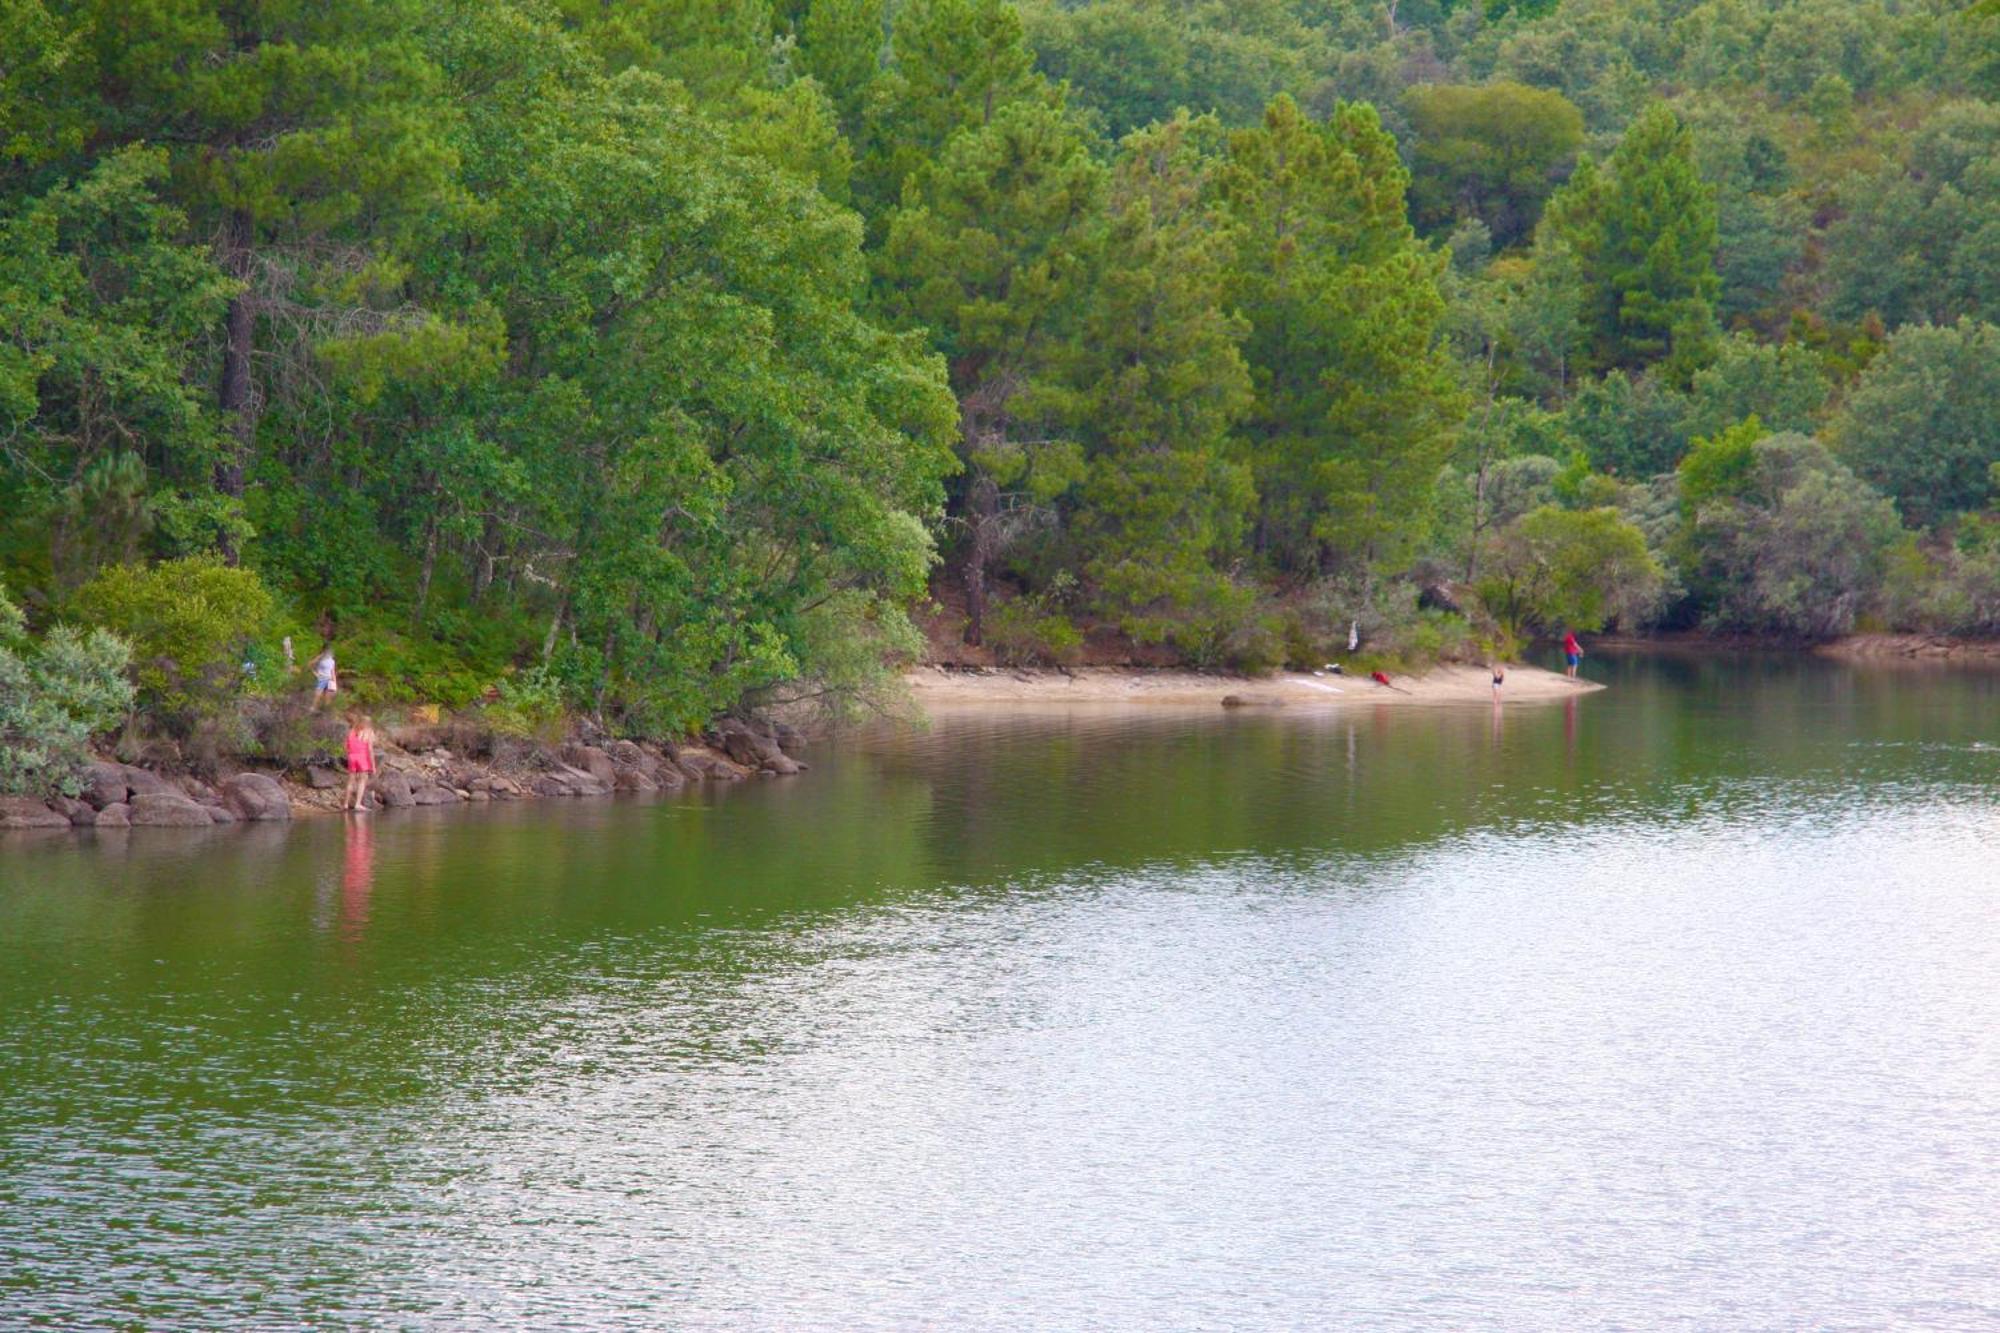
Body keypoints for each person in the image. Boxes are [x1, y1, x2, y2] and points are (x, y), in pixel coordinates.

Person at [342, 712, 376, 812]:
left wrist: (350, 754)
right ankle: (358, 804)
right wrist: (373, 766)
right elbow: (370, 750)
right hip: (362, 757)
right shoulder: (368, 732)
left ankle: (345, 804)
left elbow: (345, 746)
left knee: (350, 781)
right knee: (362, 780)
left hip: (352, 757)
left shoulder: (351, 731)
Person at [311, 643, 338, 709]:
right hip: (321, 679)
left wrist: (335, 683)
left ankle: (325, 711)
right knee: (317, 695)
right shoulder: (320, 658)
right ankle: (313, 708)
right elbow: (311, 664)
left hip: (329, 679)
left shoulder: (332, 661)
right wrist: (315, 674)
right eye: (327, 650)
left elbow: (332, 672)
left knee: (327, 697)